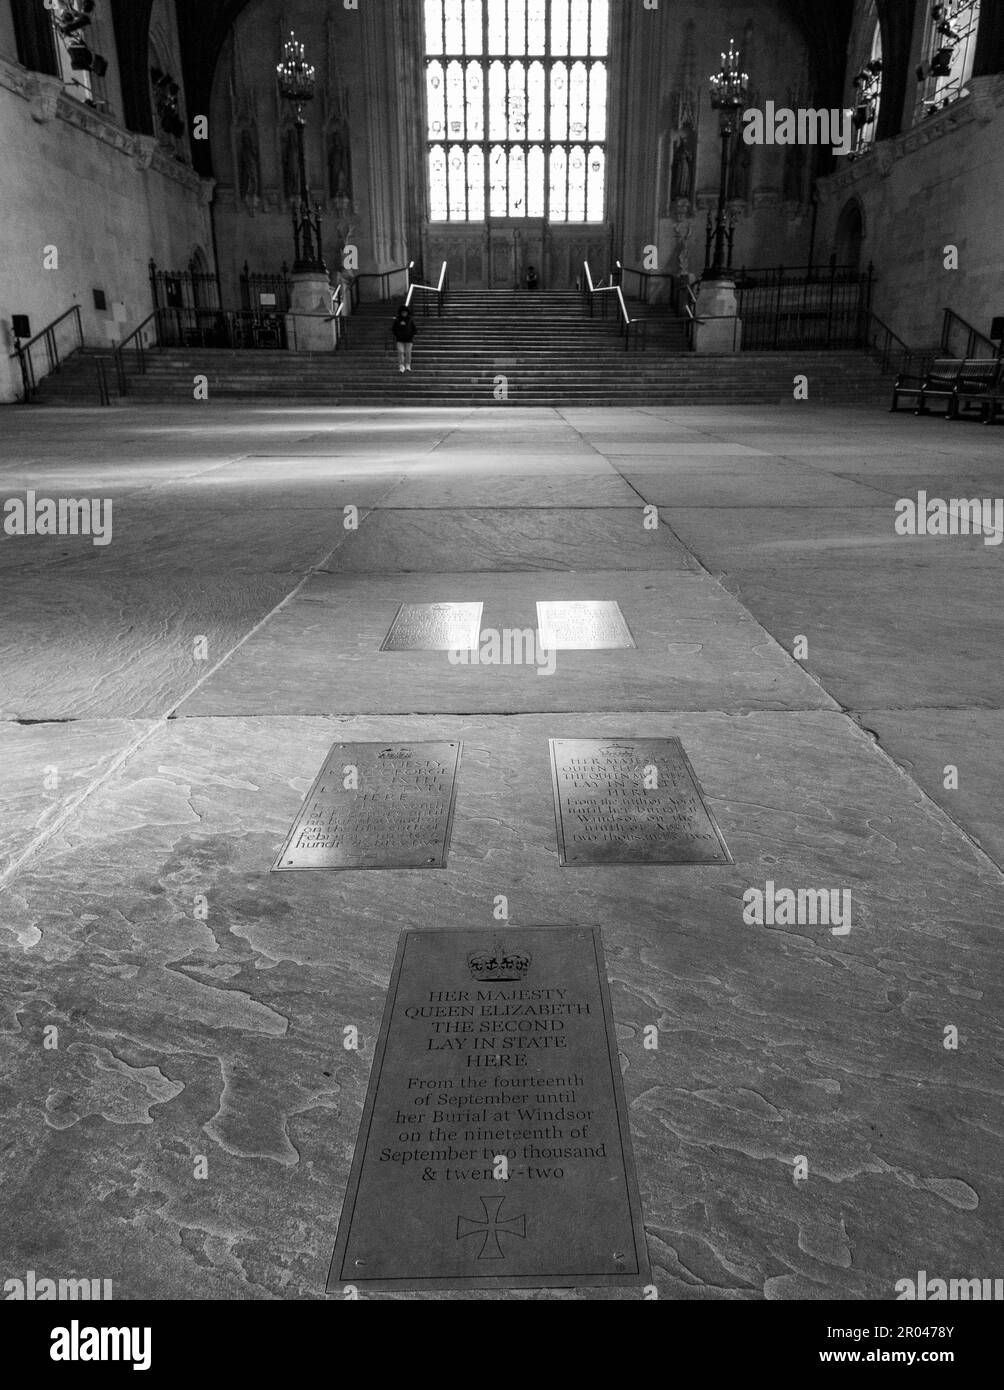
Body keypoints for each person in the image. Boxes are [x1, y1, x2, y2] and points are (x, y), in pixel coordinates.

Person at [391, 303, 417, 372]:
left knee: (408, 352)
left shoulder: (410, 320)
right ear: (401, 312)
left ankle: (408, 365)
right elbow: (394, 329)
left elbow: (414, 329)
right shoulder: (397, 320)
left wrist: (411, 335)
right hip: (400, 339)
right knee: (401, 352)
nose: (404, 314)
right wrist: (397, 335)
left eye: (405, 312)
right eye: (403, 312)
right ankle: (401, 365)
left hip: (409, 340)